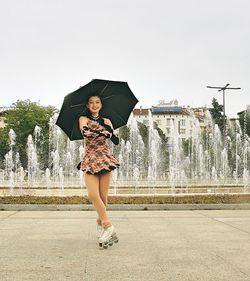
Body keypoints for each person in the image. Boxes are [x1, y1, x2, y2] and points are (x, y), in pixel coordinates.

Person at [77, 94, 120, 249]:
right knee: (92, 194)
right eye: (91, 103)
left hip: (105, 158)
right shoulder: (83, 118)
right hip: (90, 158)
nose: (94, 105)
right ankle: (108, 226)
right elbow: (86, 133)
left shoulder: (106, 120)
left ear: (101, 105)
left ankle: (100, 223)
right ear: (87, 105)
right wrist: (104, 132)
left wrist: (111, 128)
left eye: (97, 102)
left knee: (103, 196)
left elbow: (116, 140)